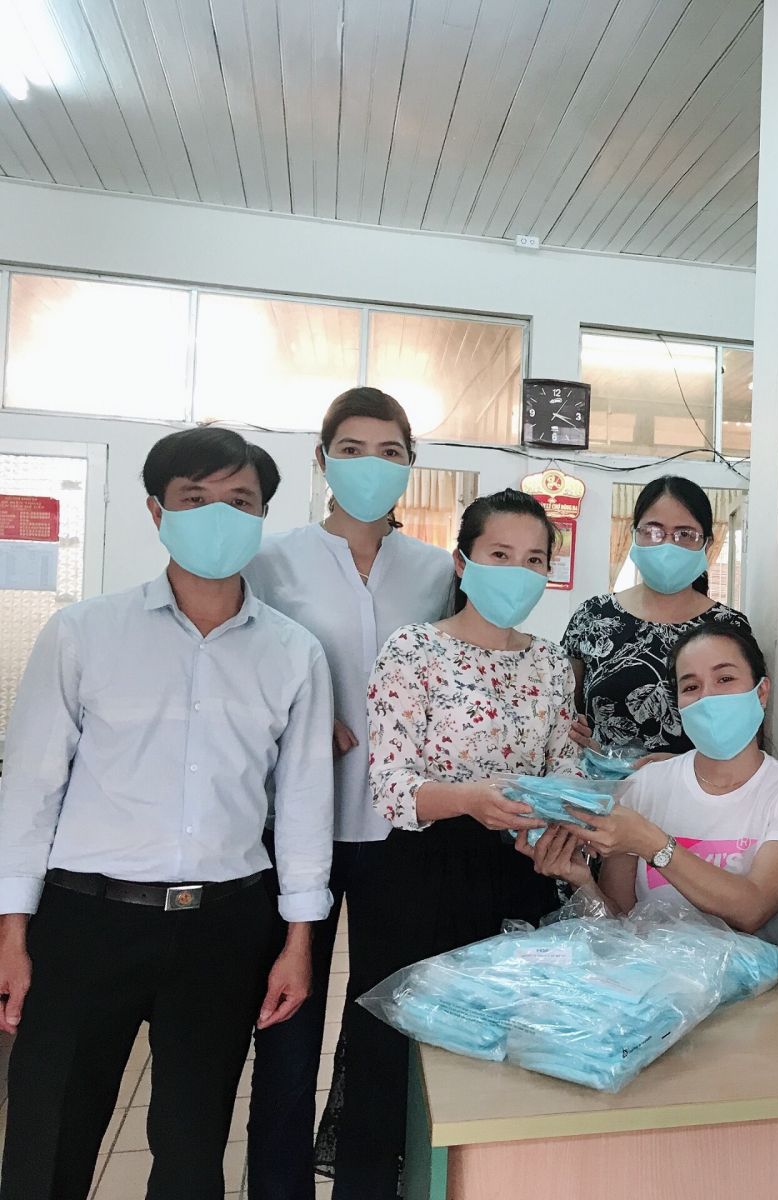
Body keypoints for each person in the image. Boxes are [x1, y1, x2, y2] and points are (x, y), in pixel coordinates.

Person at [0, 427, 334, 1200]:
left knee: (193, 1145)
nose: (219, 515)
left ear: (263, 516)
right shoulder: (84, 633)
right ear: (158, 512)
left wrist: (298, 942)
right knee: (49, 1139)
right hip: (86, 920)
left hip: (224, 925)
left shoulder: (294, 653)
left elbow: (304, 803)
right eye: (195, 498)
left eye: (240, 500)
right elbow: (30, 788)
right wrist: (12, 933)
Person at [329, 487, 576, 1199]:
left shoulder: (552, 663)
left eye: (534, 560)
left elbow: (561, 766)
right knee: (400, 1049)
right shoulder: (415, 650)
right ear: (464, 563)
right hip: (420, 875)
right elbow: (391, 788)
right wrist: (470, 798)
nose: (518, 571)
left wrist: (564, 812)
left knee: (506, 1046)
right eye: (500, 554)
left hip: (522, 873)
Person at [242, 388, 455, 1200]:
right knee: (286, 1025)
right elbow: (245, 669)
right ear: (323, 458)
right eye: (353, 448)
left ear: (410, 464)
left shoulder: (435, 570)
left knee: (382, 1024)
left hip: (402, 832)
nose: (372, 465)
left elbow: (456, 672)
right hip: (298, 825)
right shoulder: (272, 562)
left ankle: (366, 1184)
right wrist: (304, 711)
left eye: (391, 451)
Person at [530, 624, 778, 951]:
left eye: (725, 679)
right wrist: (582, 881)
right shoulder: (644, 785)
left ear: (761, 693)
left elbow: (752, 909)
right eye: (691, 686)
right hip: (650, 977)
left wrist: (651, 843)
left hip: (754, 981)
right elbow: (618, 925)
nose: (708, 697)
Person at [563, 476, 751, 760]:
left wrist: (680, 766)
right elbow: (565, 715)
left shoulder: (728, 626)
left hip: (699, 783)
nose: (668, 545)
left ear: (707, 544)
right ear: (633, 534)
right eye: (653, 531)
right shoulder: (593, 616)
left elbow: (746, 729)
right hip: (603, 782)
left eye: (685, 534)